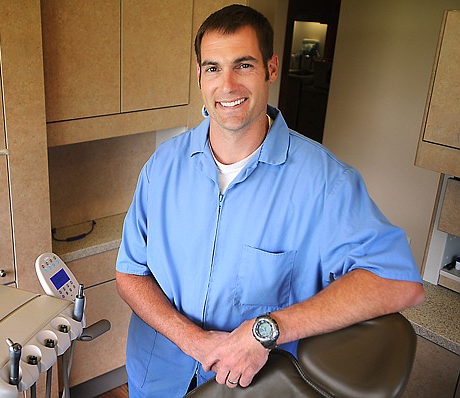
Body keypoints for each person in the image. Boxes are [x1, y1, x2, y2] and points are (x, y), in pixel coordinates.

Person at [115, 4, 424, 397]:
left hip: (251, 386)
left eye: (243, 65)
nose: (226, 85)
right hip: (155, 375)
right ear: (199, 76)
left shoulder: (324, 182)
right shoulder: (162, 166)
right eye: (213, 67)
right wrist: (193, 341)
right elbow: (130, 272)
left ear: (271, 69)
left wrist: (268, 330)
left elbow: (397, 282)